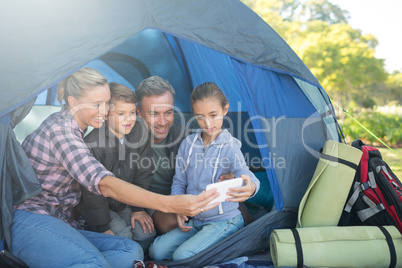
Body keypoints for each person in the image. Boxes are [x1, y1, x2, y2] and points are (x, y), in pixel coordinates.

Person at [11, 67, 219, 268]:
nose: (104, 111)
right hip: (31, 218)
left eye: (106, 103)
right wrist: (170, 204)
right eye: (96, 104)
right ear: (73, 102)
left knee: (131, 251)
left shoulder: (77, 129)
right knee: (94, 262)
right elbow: (103, 184)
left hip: (59, 220)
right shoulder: (61, 133)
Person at [148, 82, 260, 261]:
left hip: (224, 219)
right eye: (200, 117)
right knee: (156, 251)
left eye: (213, 115)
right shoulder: (188, 144)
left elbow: (244, 172)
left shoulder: (230, 146)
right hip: (197, 220)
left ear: (225, 109)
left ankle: (234, 237)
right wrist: (179, 209)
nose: (207, 123)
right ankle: (206, 242)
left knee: (182, 256)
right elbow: (179, 181)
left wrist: (252, 186)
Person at [76, 82, 156, 252]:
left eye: (132, 112)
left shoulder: (141, 132)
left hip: (126, 200)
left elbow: (144, 173)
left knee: (145, 234)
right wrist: (103, 226)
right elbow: (91, 193)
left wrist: (139, 208)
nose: (129, 119)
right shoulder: (93, 144)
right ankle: (91, 228)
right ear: (106, 115)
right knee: (123, 239)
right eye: (121, 114)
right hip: (100, 206)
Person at [135, 76, 186, 235]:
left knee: (241, 212)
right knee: (167, 224)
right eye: (154, 114)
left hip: (185, 195)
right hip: (151, 200)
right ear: (139, 112)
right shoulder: (130, 137)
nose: (163, 122)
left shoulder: (182, 134)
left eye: (168, 112)